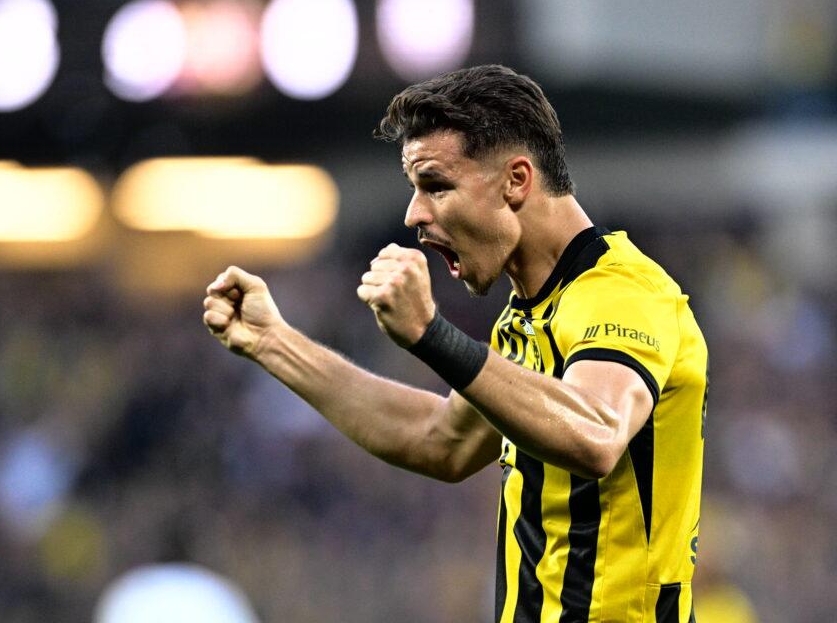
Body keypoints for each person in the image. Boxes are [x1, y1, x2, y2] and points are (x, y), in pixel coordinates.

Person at [203, 64, 708, 623]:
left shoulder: (625, 293)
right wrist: (275, 343)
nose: (414, 214)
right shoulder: (524, 322)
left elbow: (596, 435)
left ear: (516, 180)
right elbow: (439, 439)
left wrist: (432, 336)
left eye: (436, 186)